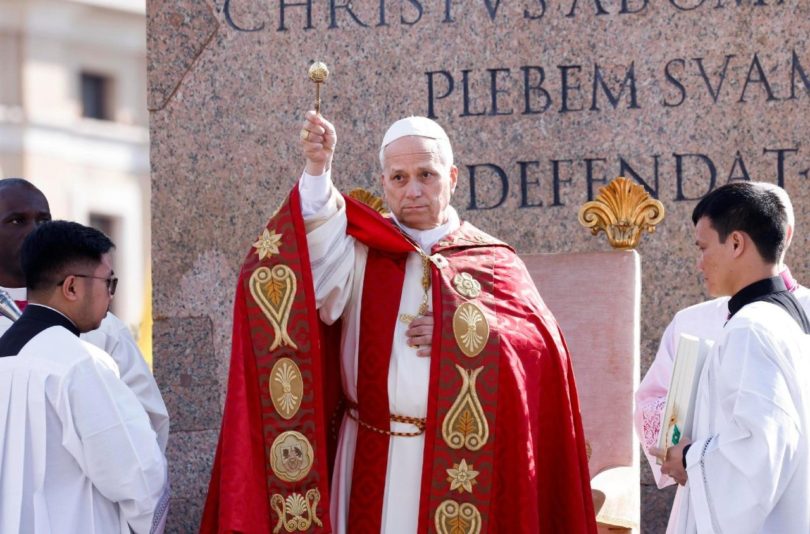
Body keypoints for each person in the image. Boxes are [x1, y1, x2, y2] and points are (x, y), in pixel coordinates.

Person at [200, 112, 596, 533]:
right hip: (367, 448)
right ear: (384, 183)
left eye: (426, 175)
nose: (413, 190)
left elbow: (538, 350)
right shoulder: (360, 249)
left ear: (452, 178)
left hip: (464, 467)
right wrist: (318, 170)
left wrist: (462, 337)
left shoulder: (492, 261)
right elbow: (304, 268)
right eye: (399, 178)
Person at [650, 182, 810, 532]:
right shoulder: (787, 317)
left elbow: (762, 447)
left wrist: (689, 458)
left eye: (703, 247)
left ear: (736, 243)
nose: (699, 263)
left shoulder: (750, 329)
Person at [0, 221, 168, 533]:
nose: (111, 295)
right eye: (109, 282)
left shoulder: (5, 355)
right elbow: (140, 478)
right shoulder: (80, 363)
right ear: (72, 287)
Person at [0, 177, 169, 452]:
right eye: (17, 221)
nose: (34, 231)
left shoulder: (103, 326)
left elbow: (147, 419)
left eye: (44, 221)